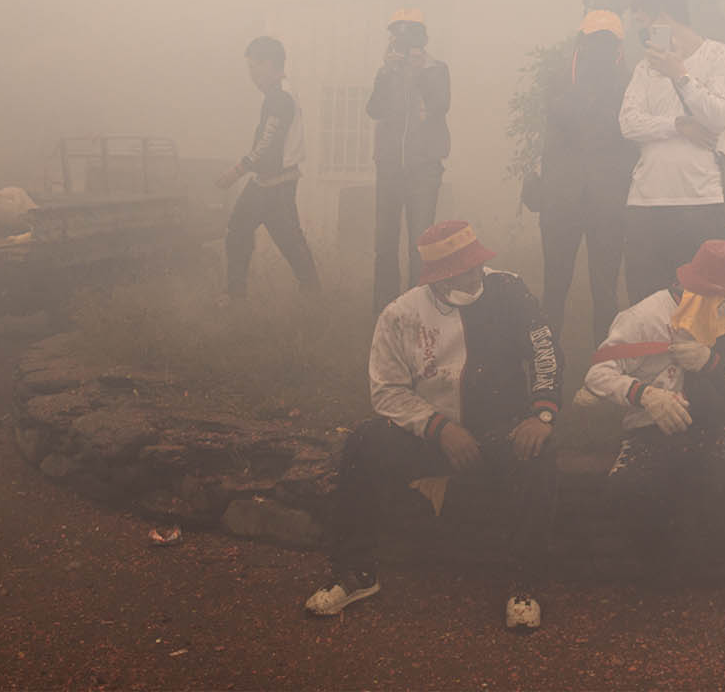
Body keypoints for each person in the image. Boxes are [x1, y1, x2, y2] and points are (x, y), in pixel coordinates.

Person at [307, 220, 560, 631]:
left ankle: (524, 582)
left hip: (502, 429)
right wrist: (439, 427)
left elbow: (546, 350)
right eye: (462, 269)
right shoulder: (401, 314)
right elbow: (386, 391)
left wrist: (542, 413)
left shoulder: (510, 290)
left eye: (476, 264)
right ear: (437, 276)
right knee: (363, 444)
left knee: (538, 453)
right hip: (433, 434)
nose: (474, 275)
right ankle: (356, 572)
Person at [581, 240, 725, 629]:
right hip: (652, 428)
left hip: (716, 425)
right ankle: (660, 571)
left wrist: (713, 363)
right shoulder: (646, 315)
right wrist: (647, 395)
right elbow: (597, 373)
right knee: (627, 489)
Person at [619, 0, 725, 302]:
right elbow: (628, 124)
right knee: (645, 304)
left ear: (663, 18)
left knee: (705, 304)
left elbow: (718, 117)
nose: (641, 33)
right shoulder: (646, 68)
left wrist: (680, 75)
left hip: (701, 201)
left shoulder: (721, 56)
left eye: (642, 23)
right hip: (645, 204)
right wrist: (677, 125)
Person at [537, 9, 638, 348]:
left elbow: (630, 136)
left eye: (607, 42)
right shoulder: (559, 78)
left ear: (618, 47)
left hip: (608, 202)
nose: (600, 49)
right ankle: (546, 363)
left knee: (606, 288)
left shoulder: (631, 83)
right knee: (554, 283)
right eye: (594, 40)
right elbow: (556, 125)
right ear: (581, 41)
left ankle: (605, 363)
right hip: (561, 199)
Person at [215, 35, 321, 300]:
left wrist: (237, 170)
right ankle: (237, 296)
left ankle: (237, 296)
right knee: (245, 232)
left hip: (275, 184)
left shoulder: (279, 98)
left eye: (255, 67)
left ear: (271, 64)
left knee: (283, 241)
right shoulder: (280, 94)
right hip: (270, 181)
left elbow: (267, 145)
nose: (252, 75)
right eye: (249, 68)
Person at [367, 9, 452, 317]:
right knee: (385, 243)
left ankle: (420, 312)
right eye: (396, 39)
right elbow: (374, 109)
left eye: (407, 39)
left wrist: (419, 75)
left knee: (421, 243)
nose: (401, 46)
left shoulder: (436, 69)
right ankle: (384, 314)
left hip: (424, 169)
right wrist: (387, 73)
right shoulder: (386, 71)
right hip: (389, 167)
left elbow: (440, 106)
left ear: (421, 40)